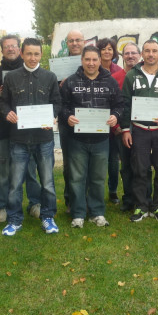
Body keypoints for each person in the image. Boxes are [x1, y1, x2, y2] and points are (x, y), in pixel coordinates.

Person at [0, 38, 62, 236]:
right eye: (29, 54)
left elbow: (57, 102)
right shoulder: (11, 77)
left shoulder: (50, 77)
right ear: (22, 54)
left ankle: (48, 217)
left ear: (41, 55)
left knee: (47, 182)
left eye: (36, 54)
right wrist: (7, 112)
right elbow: (3, 102)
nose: (32, 58)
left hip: (43, 139)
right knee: (15, 183)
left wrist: (52, 116)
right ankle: (14, 220)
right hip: (18, 139)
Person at [61, 46, 124, 228]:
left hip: (100, 140)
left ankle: (97, 213)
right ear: (82, 60)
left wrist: (115, 117)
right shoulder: (71, 82)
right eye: (87, 59)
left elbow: (119, 105)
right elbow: (62, 106)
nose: (91, 63)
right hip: (77, 140)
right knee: (76, 178)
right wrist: (67, 117)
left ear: (99, 61)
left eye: (94, 60)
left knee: (97, 178)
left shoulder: (109, 82)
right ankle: (78, 213)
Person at [121, 39, 158, 222]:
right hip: (139, 130)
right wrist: (125, 129)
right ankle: (140, 206)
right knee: (140, 169)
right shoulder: (132, 75)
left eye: (154, 51)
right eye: (147, 51)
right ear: (142, 54)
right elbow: (125, 103)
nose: (150, 54)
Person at [0, 34, 41, 223]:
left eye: (14, 46)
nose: (10, 49)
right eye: (7, 46)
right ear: (2, 50)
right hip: (5, 129)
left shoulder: (31, 69)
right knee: (6, 170)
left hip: (28, 130)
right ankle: (3, 207)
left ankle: (34, 204)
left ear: (19, 49)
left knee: (30, 168)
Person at [112, 42, 142, 212]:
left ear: (139, 55)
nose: (130, 56)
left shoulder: (147, 76)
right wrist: (116, 126)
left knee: (142, 165)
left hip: (143, 128)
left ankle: (144, 198)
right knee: (126, 167)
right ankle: (128, 199)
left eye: (134, 53)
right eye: (127, 53)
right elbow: (110, 104)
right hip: (121, 129)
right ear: (122, 57)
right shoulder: (115, 78)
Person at [59, 30, 85, 213]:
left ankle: (87, 199)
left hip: (89, 120)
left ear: (84, 42)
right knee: (69, 163)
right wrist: (60, 84)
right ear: (66, 43)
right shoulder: (58, 66)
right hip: (67, 120)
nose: (75, 43)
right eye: (71, 41)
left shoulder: (91, 61)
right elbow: (54, 94)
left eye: (78, 40)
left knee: (90, 163)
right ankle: (70, 200)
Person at [97, 37, 123, 205]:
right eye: (103, 48)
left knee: (113, 161)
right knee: (97, 161)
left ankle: (113, 191)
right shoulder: (92, 68)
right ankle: (96, 191)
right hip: (95, 122)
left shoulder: (119, 71)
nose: (107, 51)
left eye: (110, 49)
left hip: (113, 124)